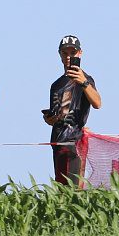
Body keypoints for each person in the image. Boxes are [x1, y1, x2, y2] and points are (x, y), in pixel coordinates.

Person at [42, 34, 101, 185]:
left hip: (75, 143)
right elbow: (57, 116)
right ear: (60, 55)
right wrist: (49, 119)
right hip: (57, 143)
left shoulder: (86, 79)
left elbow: (97, 103)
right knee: (62, 190)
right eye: (65, 53)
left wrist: (84, 83)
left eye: (72, 53)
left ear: (80, 53)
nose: (69, 57)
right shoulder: (56, 84)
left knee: (73, 191)